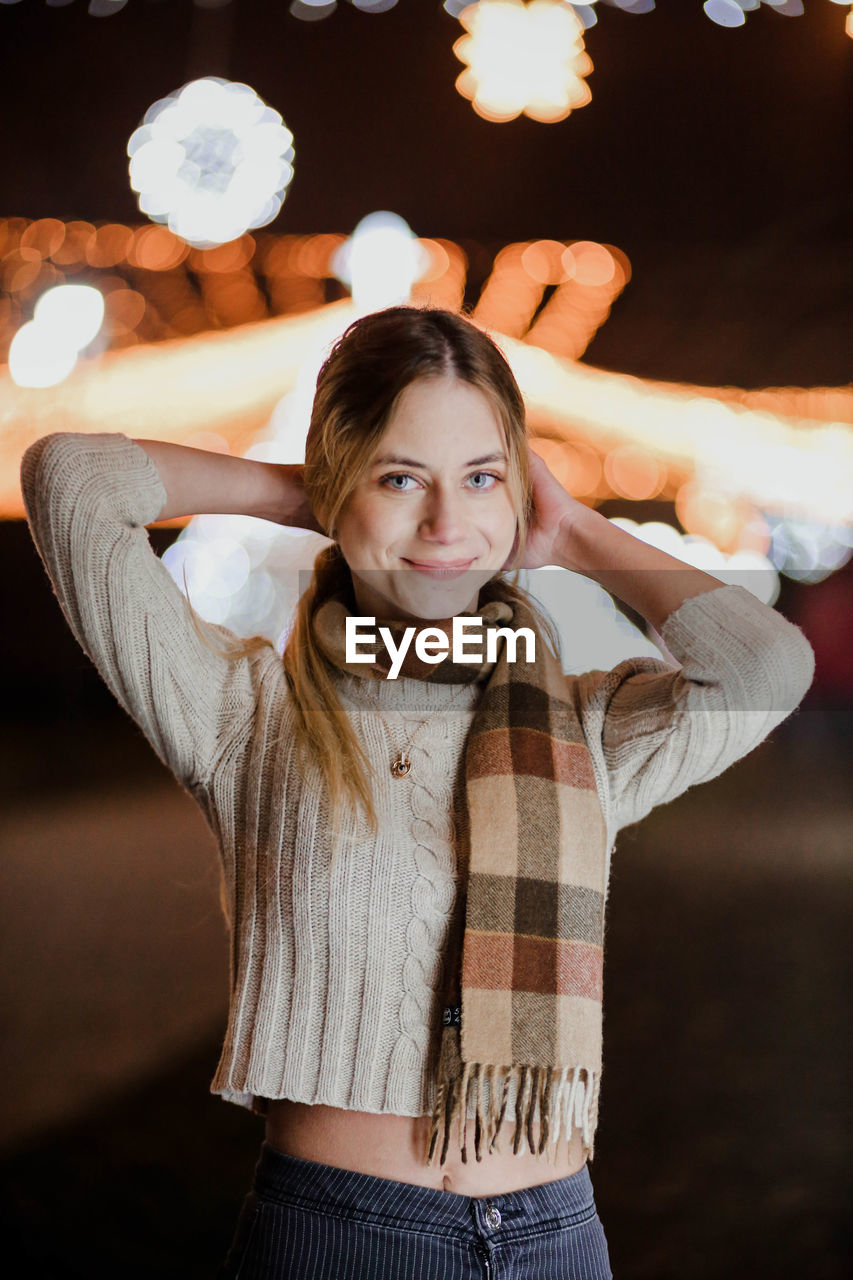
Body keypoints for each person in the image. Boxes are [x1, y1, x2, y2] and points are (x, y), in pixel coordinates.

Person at [20, 305, 815, 1279]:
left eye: (481, 477)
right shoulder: (242, 713)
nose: (447, 524)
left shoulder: (580, 727)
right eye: (401, 477)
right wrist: (300, 490)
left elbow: (766, 668)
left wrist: (568, 529)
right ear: (339, 482)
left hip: (556, 1234)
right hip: (345, 1239)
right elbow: (70, 481)